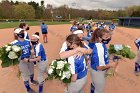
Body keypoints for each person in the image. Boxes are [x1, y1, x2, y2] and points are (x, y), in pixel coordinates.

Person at [89, 28, 117, 93]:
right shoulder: (99, 48)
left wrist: (112, 56)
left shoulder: (102, 44)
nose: (109, 38)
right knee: (99, 90)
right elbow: (99, 67)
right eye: (106, 37)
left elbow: (104, 56)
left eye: (109, 36)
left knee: (94, 84)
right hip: (98, 72)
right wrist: (110, 64)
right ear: (99, 38)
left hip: (96, 71)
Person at [12, 28, 37, 93]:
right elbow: (13, 56)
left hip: (30, 59)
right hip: (21, 62)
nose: (22, 33)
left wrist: (33, 52)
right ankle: (28, 89)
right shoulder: (13, 43)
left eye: (23, 32)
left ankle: (31, 80)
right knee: (25, 75)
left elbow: (31, 50)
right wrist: (20, 59)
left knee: (32, 72)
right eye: (20, 33)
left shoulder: (28, 41)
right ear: (16, 34)